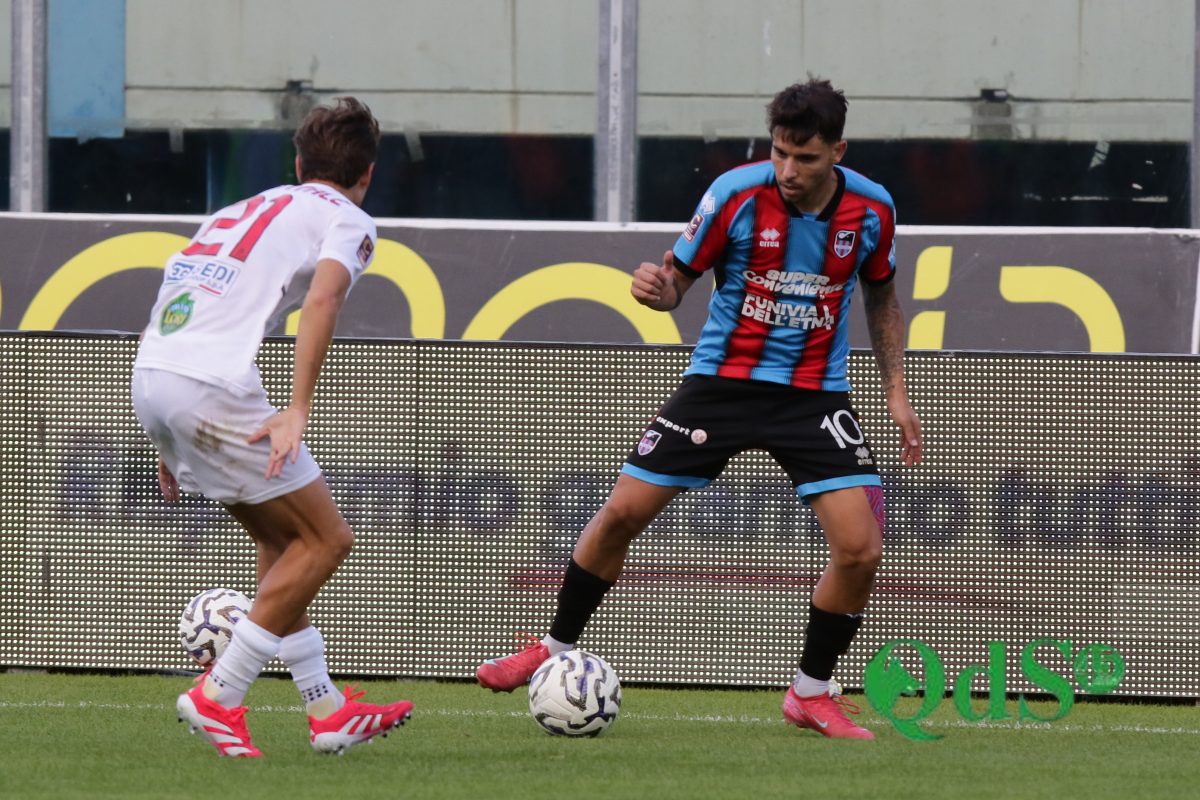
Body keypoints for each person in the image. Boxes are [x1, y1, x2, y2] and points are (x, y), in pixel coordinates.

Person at [476, 78, 922, 740]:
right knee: (622, 512)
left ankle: (809, 692)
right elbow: (675, 285)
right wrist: (654, 290)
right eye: (779, 154)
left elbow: (882, 296)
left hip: (812, 397)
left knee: (860, 550)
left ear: (838, 151)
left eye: (805, 158)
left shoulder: (873, 209)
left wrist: (896, 391)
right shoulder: (735, 195)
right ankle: (554, 647)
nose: (788, 171)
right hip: (721, 383)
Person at [132, 97, 412, 757]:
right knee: (326, 539)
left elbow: (181, 288)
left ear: (297, 162)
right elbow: (323, 297)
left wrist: (165, 432)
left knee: (284, 538)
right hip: (213, 383)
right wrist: (298, 407)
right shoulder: (349, 217)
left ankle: (327, 708)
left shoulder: (239, 208)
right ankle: (220, 694)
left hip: (158, 369)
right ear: (367, 174)